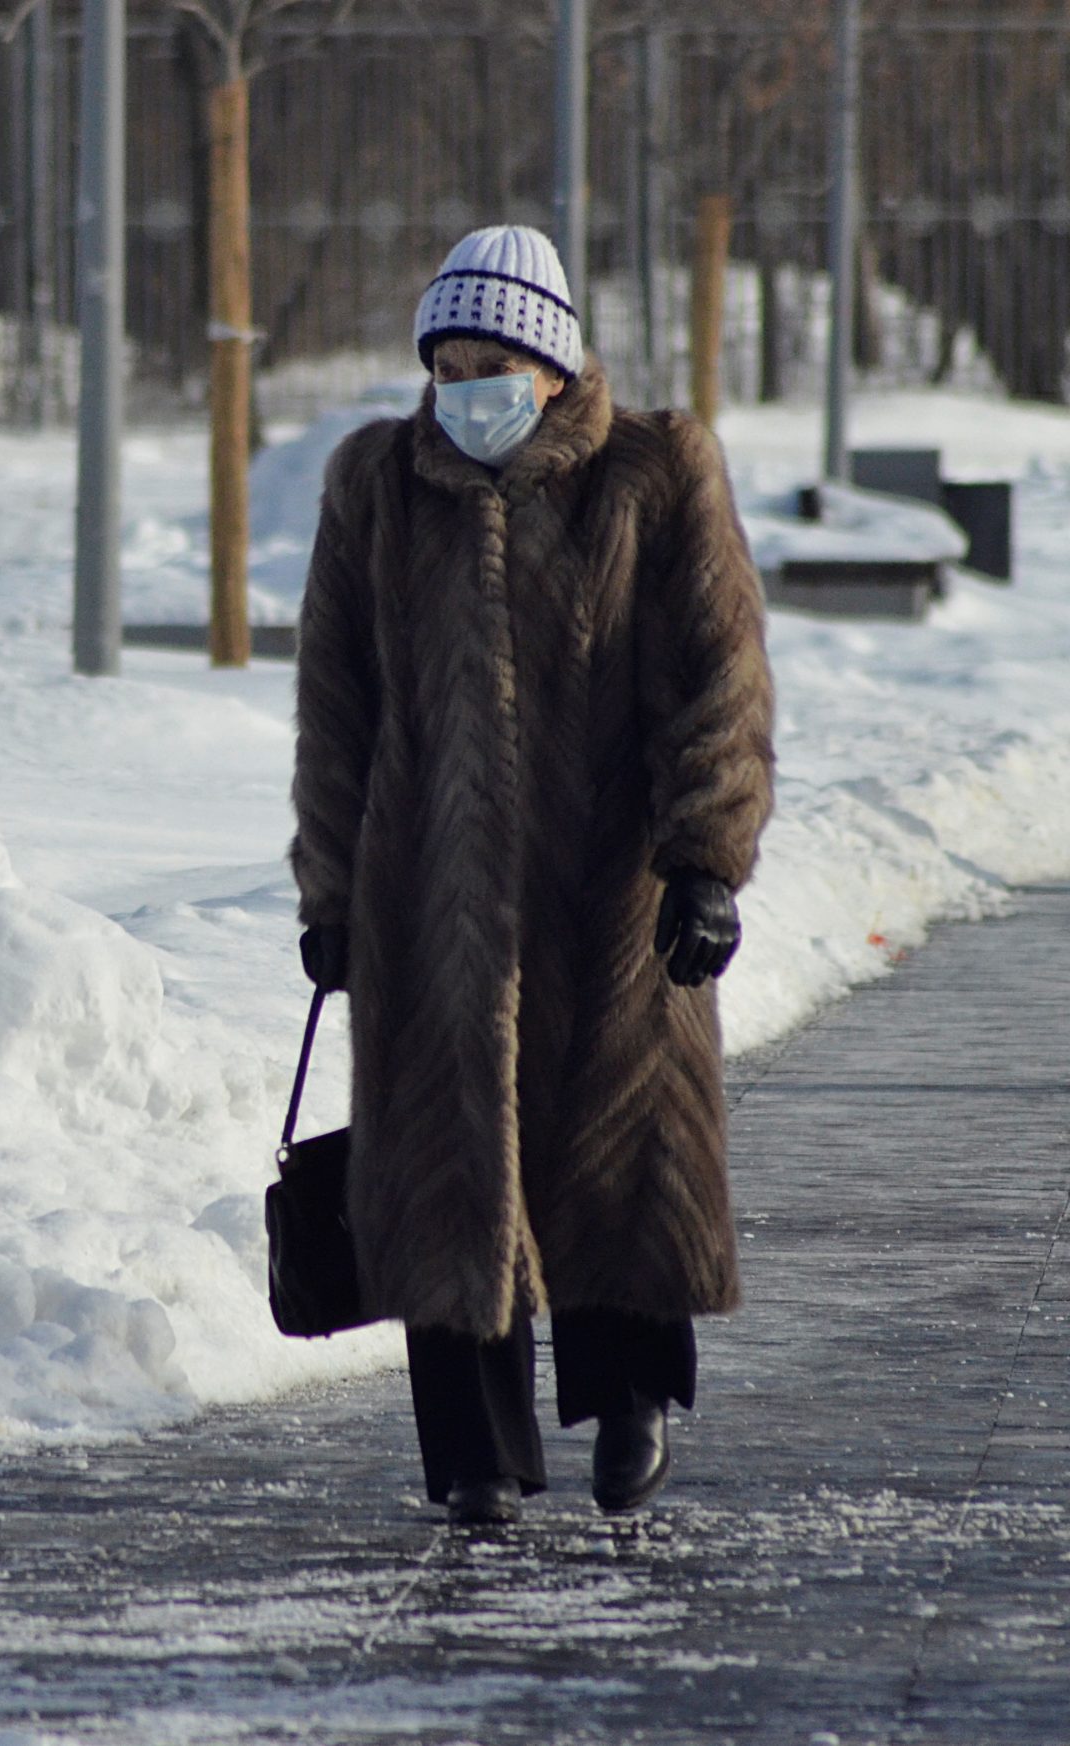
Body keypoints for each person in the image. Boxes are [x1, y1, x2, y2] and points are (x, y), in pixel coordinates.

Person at [288, 225, 776, 1525]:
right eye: (445, 364)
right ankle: (475, 1460)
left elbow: (717, 681)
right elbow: (337, 708)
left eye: (491, 360)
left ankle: (631, 1408)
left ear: (554, 365)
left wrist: (705, 858)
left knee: (623, 1154)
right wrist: (329, 891)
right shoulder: (378, 485)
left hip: (609, 891)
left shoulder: (654, 474)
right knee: (447, 1170)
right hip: (427, 898)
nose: (465, 388)